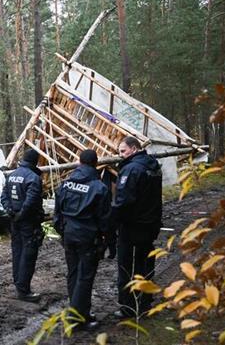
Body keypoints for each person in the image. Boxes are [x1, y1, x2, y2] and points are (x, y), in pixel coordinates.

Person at [54, 149, 112, 330]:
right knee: (85, 277)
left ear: (79, 162)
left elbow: (57, 212)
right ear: (96, 164)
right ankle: (76, 318)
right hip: (87, 237)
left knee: (73, 274)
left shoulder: (65, 184)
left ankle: (81, 311)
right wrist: (108, 240)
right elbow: (105, 218)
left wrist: (62, 231)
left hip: (69, 234)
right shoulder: (99, 187)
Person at [112, 136, 162, 318]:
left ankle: (128, 307)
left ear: (134, 149)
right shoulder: (153, 166)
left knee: (126, 266)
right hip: (150, 223)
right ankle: (145, 302)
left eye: (123, 151)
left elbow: (124, 201)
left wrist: (112, 221)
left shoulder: (131, 169)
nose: (121, 155)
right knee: (146, 264)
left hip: (132, 226)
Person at [1, 149, 45, 303]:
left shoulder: (12, 175)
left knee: (17, 251)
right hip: (28, 222)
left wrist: (10, 211)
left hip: (15, 220)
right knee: (28, 253)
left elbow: (4, 196)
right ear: (35, 162)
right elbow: (32, 200)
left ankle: (18, 283)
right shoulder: (33, 178)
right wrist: (22, 214)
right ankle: (23, 289)